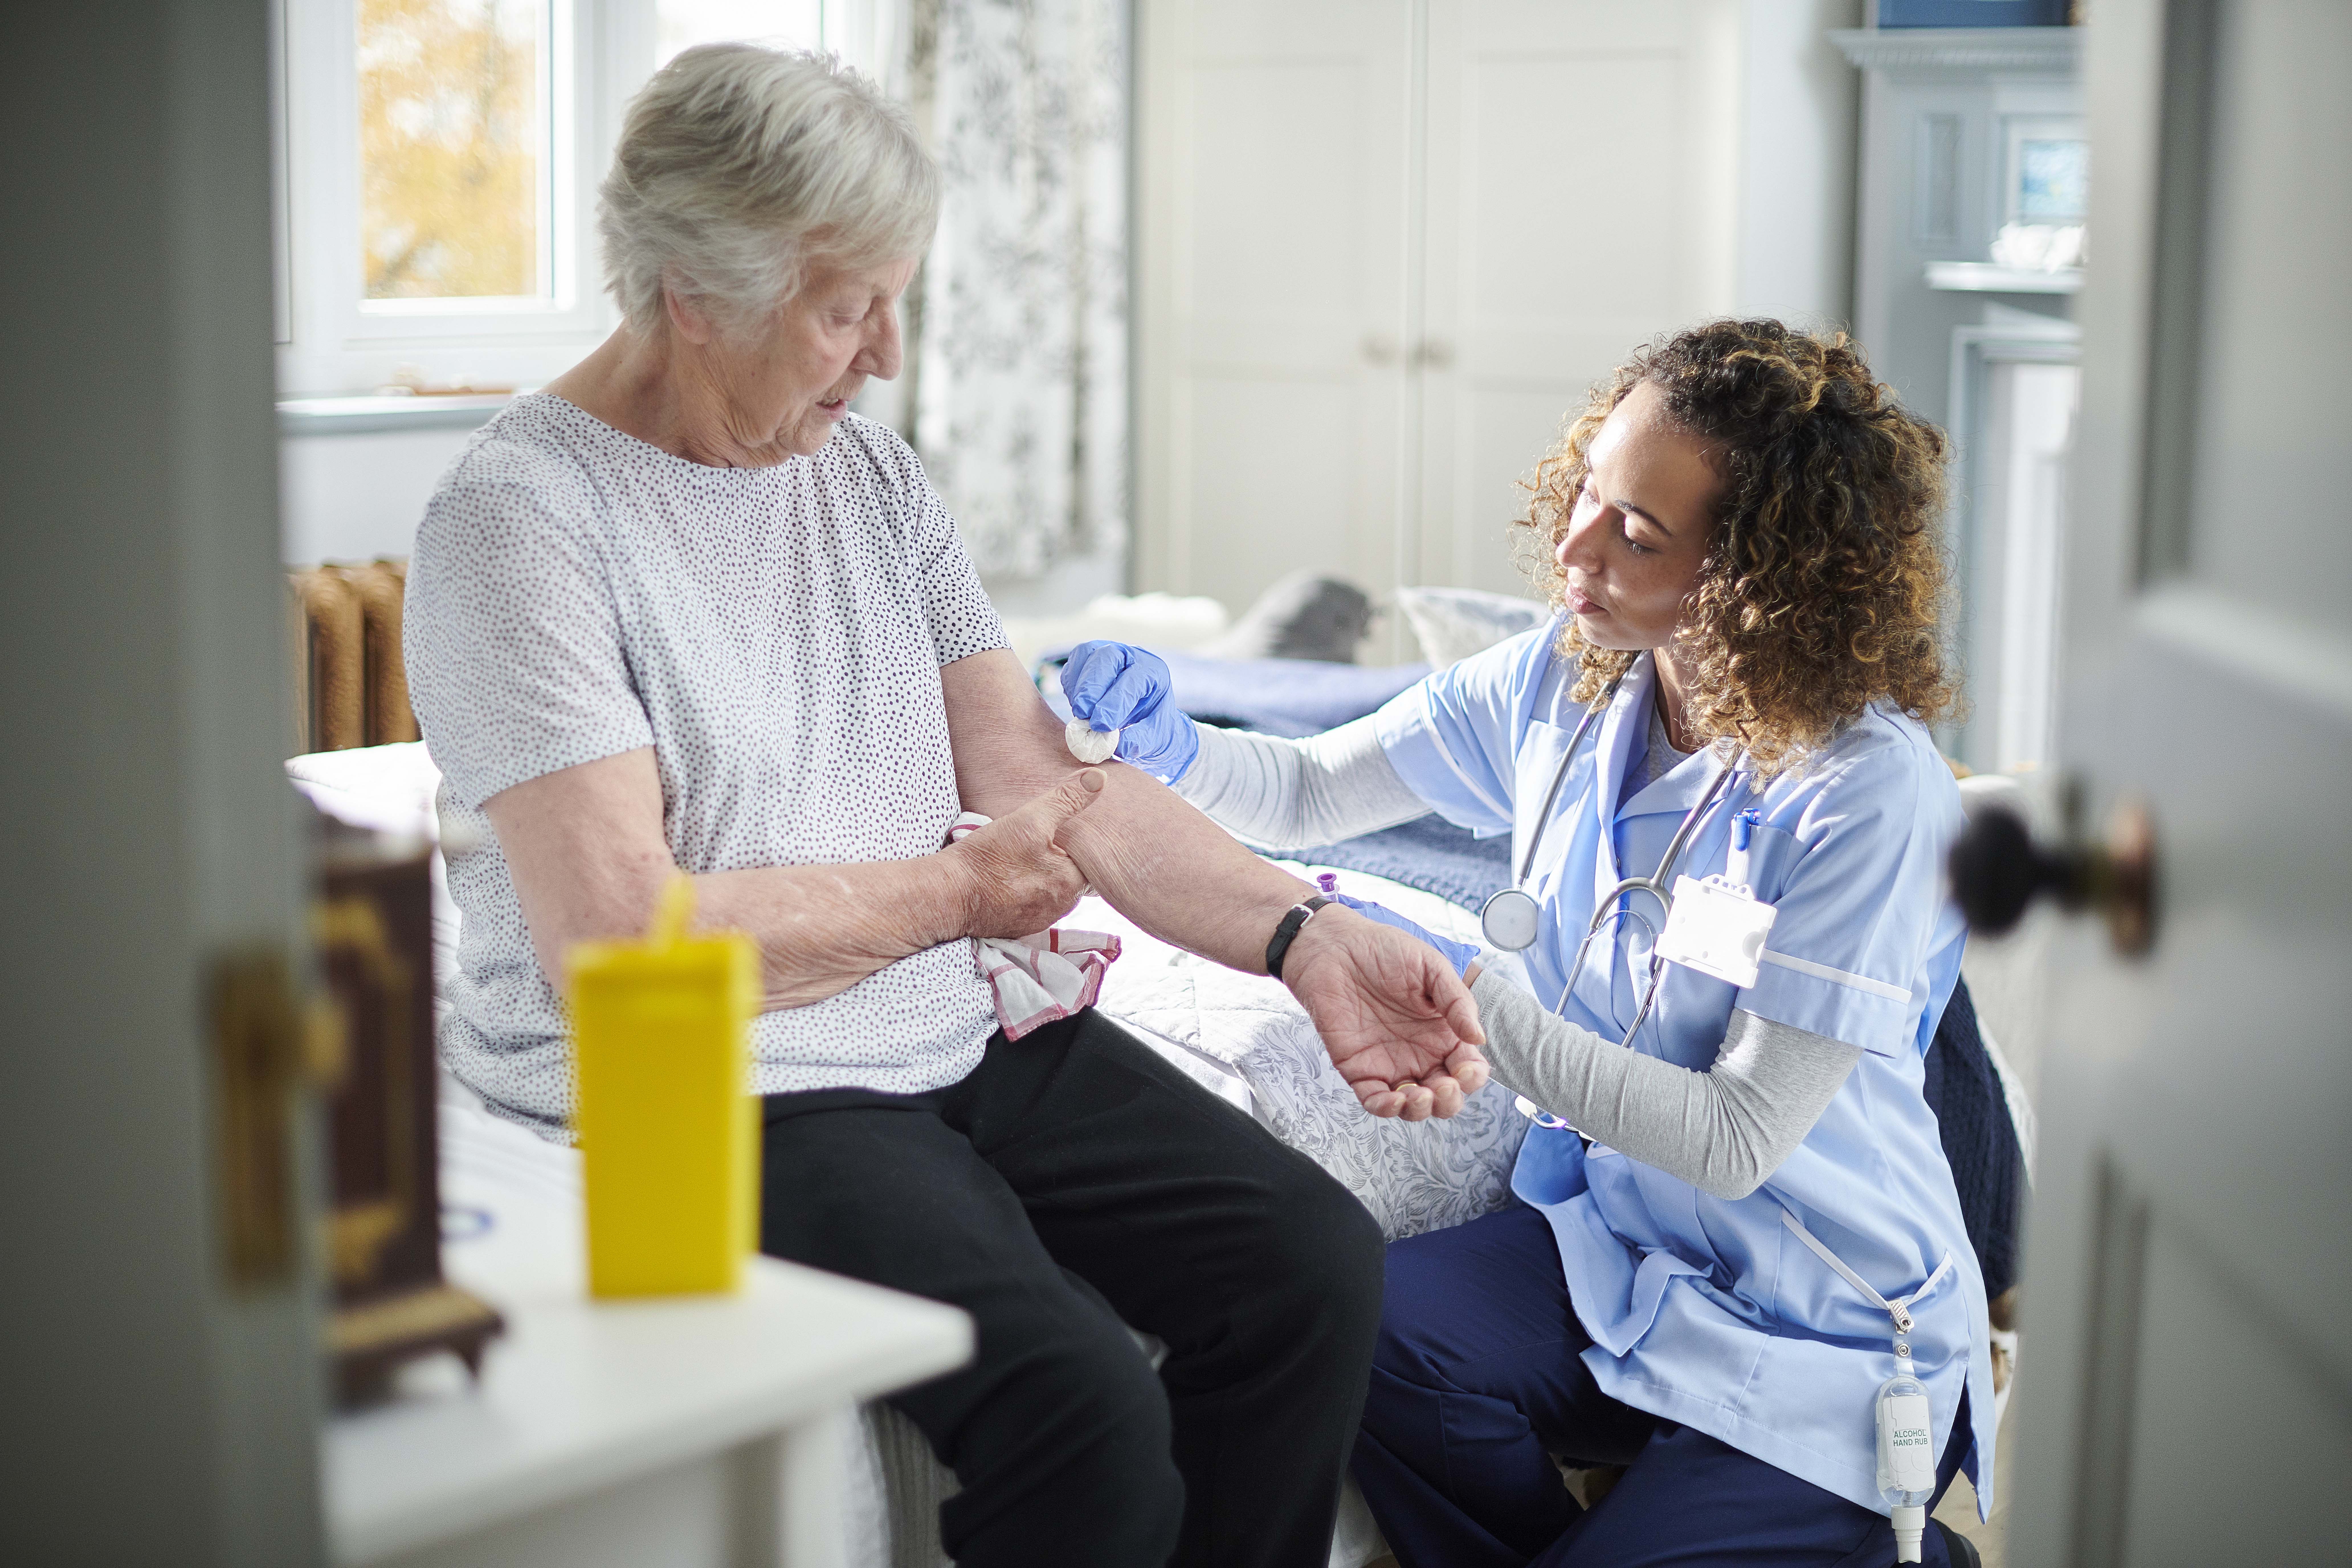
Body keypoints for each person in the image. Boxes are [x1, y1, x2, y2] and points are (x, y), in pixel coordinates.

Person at [403, 44, 1488, 1568]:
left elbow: (1044, 782)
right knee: (1084, 1410)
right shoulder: (523, 526)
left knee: (1308, 1264)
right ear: (694, 292)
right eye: (848, 309)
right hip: (711, 1074)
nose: (888, 356)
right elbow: (615, 943)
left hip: (943, 1023)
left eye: (897, 301)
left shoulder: (870, 477)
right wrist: (963, 901)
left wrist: (1306, 936)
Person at [1062, 320, 1995, 1567]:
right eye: (1592, 496)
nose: (1575, 548)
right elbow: (1299, 793)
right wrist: (1169, 745)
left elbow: (1734, 1139)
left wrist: (1466, 995)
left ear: (1757, 572)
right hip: (1620, 1255)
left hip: (1822, 1329)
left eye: (1637, 535)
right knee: (1365, 1332)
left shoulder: (1866, 792)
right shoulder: (1567, 676)